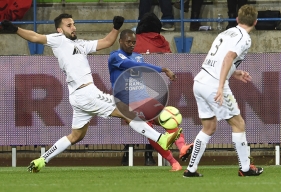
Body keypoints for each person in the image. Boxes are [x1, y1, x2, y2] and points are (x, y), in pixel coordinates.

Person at [0, 14, 182, 173]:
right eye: (68, 25)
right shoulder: (58, 39)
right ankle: (162, 139)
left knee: (76, 135)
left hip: (80, 96)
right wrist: (15, 29)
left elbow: (107, 42)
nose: (73, 27)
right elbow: (35, 37)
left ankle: (42, 159)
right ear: (59, 29)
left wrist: (116, 28)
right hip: (86, 92)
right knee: (127, 112)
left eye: (73, 24)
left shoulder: (81, 44)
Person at [183, 5, 263, 177]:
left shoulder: (225, 33)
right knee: (238, 123)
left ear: (237, 19)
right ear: (255, 22)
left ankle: (191, 170)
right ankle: (246, 168)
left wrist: (236, 73)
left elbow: (217, 59)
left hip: (200, 80)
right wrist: (220, 86)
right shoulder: (245, 38)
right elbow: (228, 58)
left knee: (209, 127)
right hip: (213, 84)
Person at [108, 29, 193, 171]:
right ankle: (174, 162)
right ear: (120, 41)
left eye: (134, 42)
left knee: (169, 118)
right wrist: (163, 69)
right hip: (129, 105)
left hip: (145, 99)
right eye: (128, 41)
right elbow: (133, 66)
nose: (131, 45)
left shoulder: (138, 56)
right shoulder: (115, 56)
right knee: (151, 134)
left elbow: (142, 71)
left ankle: (182, 147)